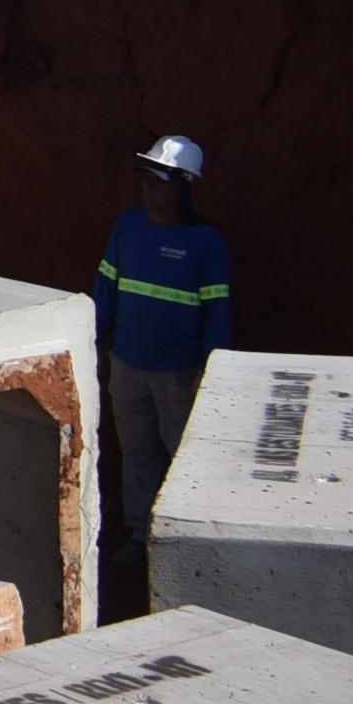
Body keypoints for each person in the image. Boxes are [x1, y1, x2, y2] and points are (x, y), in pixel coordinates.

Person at [92, 134, 231, 532]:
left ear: (183, 188)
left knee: (185, 457)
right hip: (128, 365)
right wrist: (96, 344)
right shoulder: (127, 227)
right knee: (137, 453)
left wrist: (209, 370)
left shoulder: (206, 244)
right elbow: (105, 288)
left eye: (161, 181)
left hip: (178, 375)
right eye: (147, 178)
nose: (149, 187)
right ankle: (139, 533)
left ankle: (189, 536)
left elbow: (217, 312)